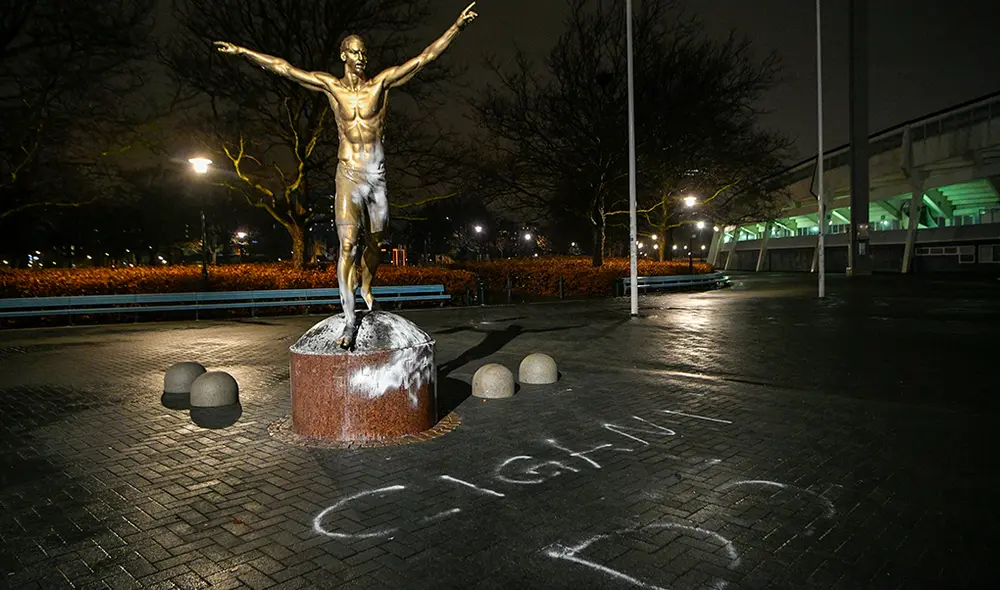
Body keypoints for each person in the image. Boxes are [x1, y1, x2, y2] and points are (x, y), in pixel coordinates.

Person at [216, 3, 478, 348]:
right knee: (347, 244)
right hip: (348, 173)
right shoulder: (330, 87)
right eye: (354, 52)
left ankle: (367, 283)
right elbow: (285, 69)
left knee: (376, 241)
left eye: (364, 53)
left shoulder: (380, 84)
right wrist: (242, 51)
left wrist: (457, 26)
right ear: (343, 55)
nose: (360, 58)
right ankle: (349, 319)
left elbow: (424, 58)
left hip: (377, 176)